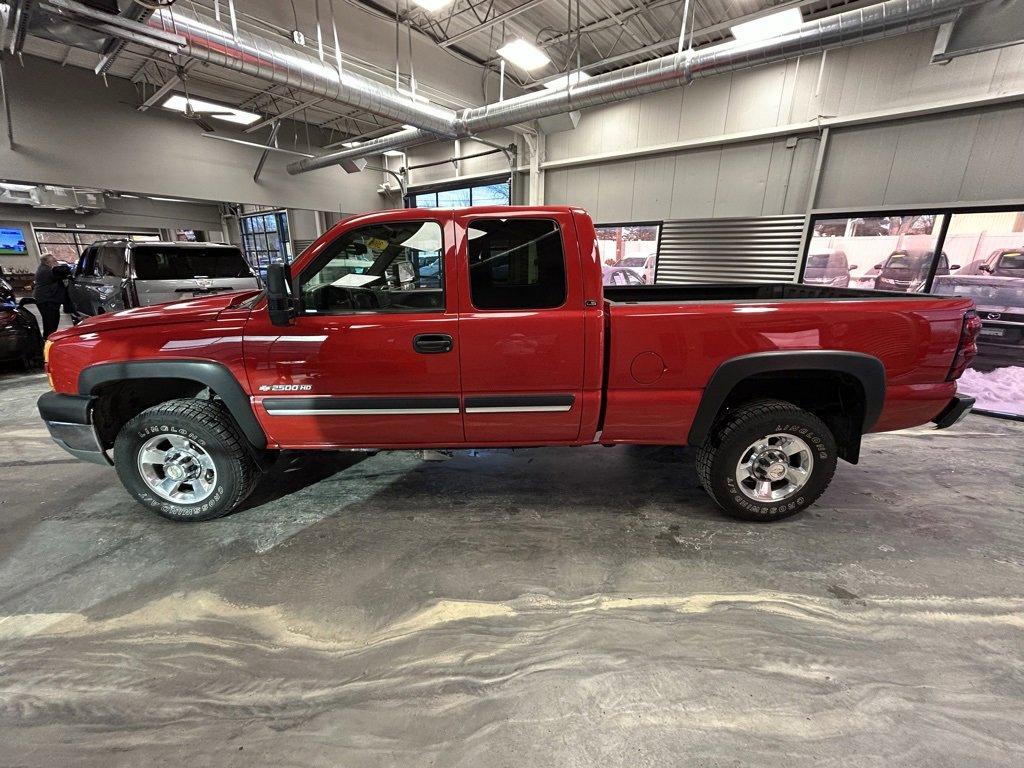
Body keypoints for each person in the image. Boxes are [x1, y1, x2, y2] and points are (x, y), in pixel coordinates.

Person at [33, 252, 70, 339]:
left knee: (52, 321)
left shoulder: (45, 268)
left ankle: (49, 339)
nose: (55, 260)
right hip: (47, 300)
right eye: (53, 259)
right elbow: (61, 273)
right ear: (46, 261)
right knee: (50, 322)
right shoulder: (46, 270)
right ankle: (48, 340)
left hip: (49, 299)